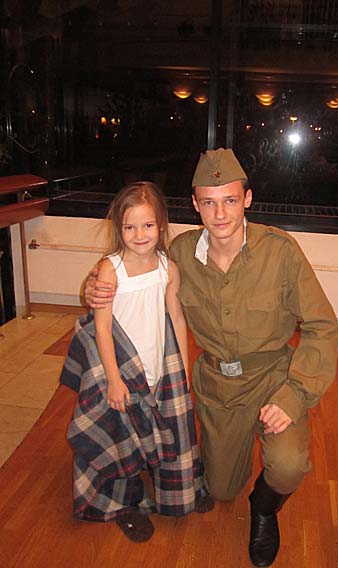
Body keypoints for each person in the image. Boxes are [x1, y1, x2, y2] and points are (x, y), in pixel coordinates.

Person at [85, 150, 338, 567]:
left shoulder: (281, 252)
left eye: (230, 200)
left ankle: (264, 508)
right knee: (221, 490)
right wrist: (93, 287)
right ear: (195, 204)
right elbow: (132, 267)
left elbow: (323, 327)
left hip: (274, 378)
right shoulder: (180, 253)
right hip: (218, 387)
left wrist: (294, 395)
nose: (220, 213)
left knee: (287, 466)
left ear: (248, 199)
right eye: (209, 202)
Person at [61, 181, 212, 544]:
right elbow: (101, 328)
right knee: (122, 438)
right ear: (119, 227)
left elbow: (175, 317)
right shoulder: (110, 269)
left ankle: (180, 489)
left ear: (161, 225)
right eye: (130, 227)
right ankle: (123, 504)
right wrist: (114, 380)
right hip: (121, 371)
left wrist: (181, 371)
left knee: (167, 429)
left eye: (147, 225)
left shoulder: (167, 268)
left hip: (158, 370)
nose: (139, 234)